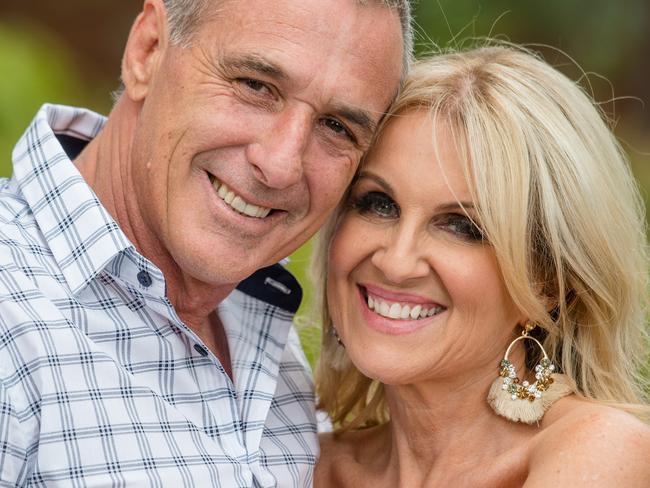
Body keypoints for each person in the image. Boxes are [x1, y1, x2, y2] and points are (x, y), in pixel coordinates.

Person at [0, 0, 412, 485]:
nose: (280, 164)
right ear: (147, 51)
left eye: (336, 127)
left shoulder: (271, 346)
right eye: (256, 86)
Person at [313, 45, 650, 487]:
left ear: (547, 282)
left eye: (461, 226)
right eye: (378, 203)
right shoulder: (300, 463)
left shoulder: (599, 450)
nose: (396, 262)